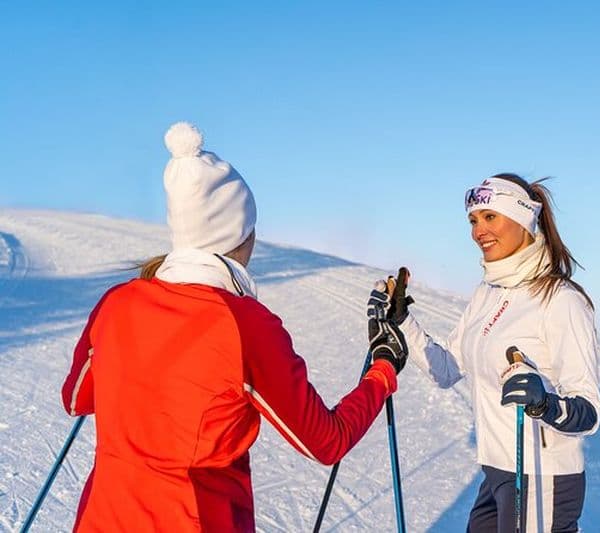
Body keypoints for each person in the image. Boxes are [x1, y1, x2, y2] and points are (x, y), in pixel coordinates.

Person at [61, 122, 408, 532]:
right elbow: (325, 440)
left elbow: (77, 400)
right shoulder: (244, 324)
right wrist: (383, 371)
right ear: (239, 235)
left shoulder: (117, 303)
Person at [369, 174, 600, 532]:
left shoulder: (560, 300)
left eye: (490, 217)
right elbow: (446, 369)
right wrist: (402, 321)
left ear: (523, 218)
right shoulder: (487, 294)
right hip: (497, 471)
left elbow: (589, 411)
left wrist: (545, 404)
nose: (478, 231)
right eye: (474, 220)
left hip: (542, 475)